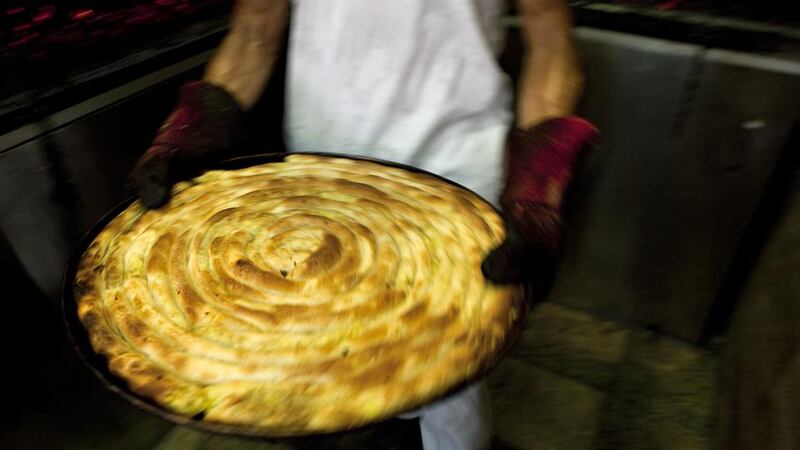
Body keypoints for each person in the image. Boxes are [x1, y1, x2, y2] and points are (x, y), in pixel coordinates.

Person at [130, 1, 598, 449]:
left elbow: (549, 33)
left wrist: (539, 178)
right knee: (324, 348)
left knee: (446, 372)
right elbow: (256, 25)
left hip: (452, 178)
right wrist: (197, 119)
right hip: (323, 168)